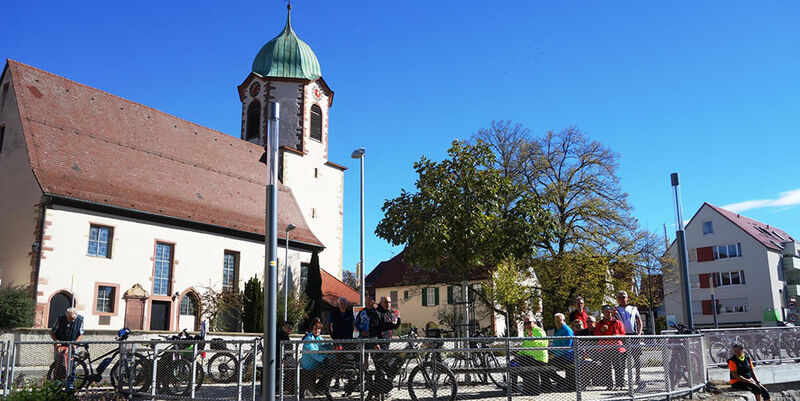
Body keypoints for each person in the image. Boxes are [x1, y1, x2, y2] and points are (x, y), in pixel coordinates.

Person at [50, 307, 84, 391]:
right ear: (66, 316)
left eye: (73, 319)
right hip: (61, 346)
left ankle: (70, 386)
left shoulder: (80, 320)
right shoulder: (60, 319)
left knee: (72, 366)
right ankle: (58, 386)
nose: (72, 321)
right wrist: (57, 342)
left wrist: (75, 343)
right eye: (70, 319)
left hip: (72, 346)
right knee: (59, 365)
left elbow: (80, 334)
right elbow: (52, 332)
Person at [301, 318, 334, 399]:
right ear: (312, 328)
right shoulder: (308, 339)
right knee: (309, 394)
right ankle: (319, 389)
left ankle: (321, 389)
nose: (317, 331)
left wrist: (332, 349)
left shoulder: (319, 338)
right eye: (315, 328)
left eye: (319, 329)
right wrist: (323, 359)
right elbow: (313, 353)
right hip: (309, 367)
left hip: (318, 365)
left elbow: (325, 346)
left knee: (332, 370)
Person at [594, 305, 626, 390]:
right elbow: (596, 335)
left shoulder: (618, 323)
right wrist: (601, 331)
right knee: (606, 367)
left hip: (616, 347)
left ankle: (619, 384)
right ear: (603, 313)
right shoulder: (599, 324)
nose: (607, 313)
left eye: (609, 312)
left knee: (618, 367)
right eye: (605, 312)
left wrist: (617, 336)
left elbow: (623, 334)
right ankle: (609, 385)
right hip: (604, 348)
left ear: (611, 312)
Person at [615, 291, 643, 386]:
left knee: (637, 359)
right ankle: (622, 380)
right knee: (622, 359)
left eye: (623, 297)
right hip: (622, 337)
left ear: (627, 298)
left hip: (633, 336)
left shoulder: (633, 308)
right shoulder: (615, 310)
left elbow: (639, 321)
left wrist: (639, 334)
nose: (621, 299)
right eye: (619, 297)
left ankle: (638, 378)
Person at [326, 297, 354, 389]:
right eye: (341, 303)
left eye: (344, 304)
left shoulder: (350, 313)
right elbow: (328, 325)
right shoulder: (333, 313)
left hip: (348, 340)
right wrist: (332, 335)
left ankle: (350, 381)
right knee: (338, 360)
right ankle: (337, 381)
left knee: (349, 360)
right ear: (338, 304)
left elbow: (354, 324)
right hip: (337, 340)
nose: (343, 305)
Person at [518, 317, 550, 395]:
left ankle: (531, 389)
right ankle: (517, 388)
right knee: (514, 363)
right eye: (525, 323)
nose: (527, 325)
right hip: (529, 358)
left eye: (529, 322)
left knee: (524, 363)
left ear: (534, 323)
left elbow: (544, 343)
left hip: (538, 359)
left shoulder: (539, 331)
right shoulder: (527, 332)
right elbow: (525, 346)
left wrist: (534, 340)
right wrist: (518, 354)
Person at [551, 313, 576, 391]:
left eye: (559, 320)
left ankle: (564, 382)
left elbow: (567, 348)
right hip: (560, 356)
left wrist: (554, 355)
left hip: (567, 357)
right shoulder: (559, 330)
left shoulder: (567, 331)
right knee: (543, 365)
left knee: (545, 367)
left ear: (564, 320)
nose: (557, 323)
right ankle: (563, 382)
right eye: (556, 321)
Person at [277, 320, 294, 388]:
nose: (290, 329)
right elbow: (280, 350)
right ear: (283, 327)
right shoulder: (282, 336)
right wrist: (284, 360)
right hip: (284, 360)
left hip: (285, 360)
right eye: (288, 327)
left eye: (291, 328)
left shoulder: (282, 335)